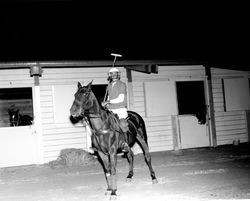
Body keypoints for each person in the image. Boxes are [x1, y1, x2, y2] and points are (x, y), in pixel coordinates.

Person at [102, 67, 129, 152]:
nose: (114, 75)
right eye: (112, 73)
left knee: (122, 124)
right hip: (111, 109)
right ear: (109, 75)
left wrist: (107, 101)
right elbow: (110, 97)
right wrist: (107, 105)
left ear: (118, 74)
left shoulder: (122, 84)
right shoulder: (109, 85)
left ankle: (125, 143)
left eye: (115, 73)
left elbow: (120, 98)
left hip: (120, 109)